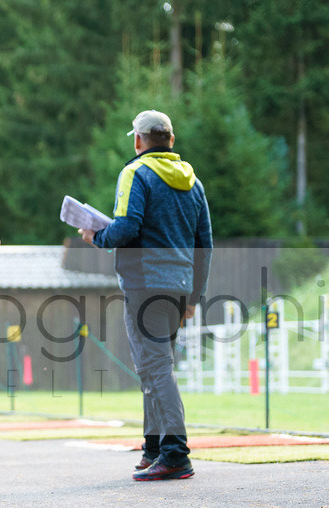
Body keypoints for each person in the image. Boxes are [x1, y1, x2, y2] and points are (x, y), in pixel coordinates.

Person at [79, 109, 213, 481]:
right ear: (170, 140)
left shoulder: (135, 172)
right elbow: (205, 245)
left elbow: (126, 227)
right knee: (154, 367)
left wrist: (96, 237)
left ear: (138, 141)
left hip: (144, 285)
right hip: (179, 287)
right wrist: (194, 298)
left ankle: (175, 453)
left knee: (155, 367)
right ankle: (153, 448)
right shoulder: (194, 183)